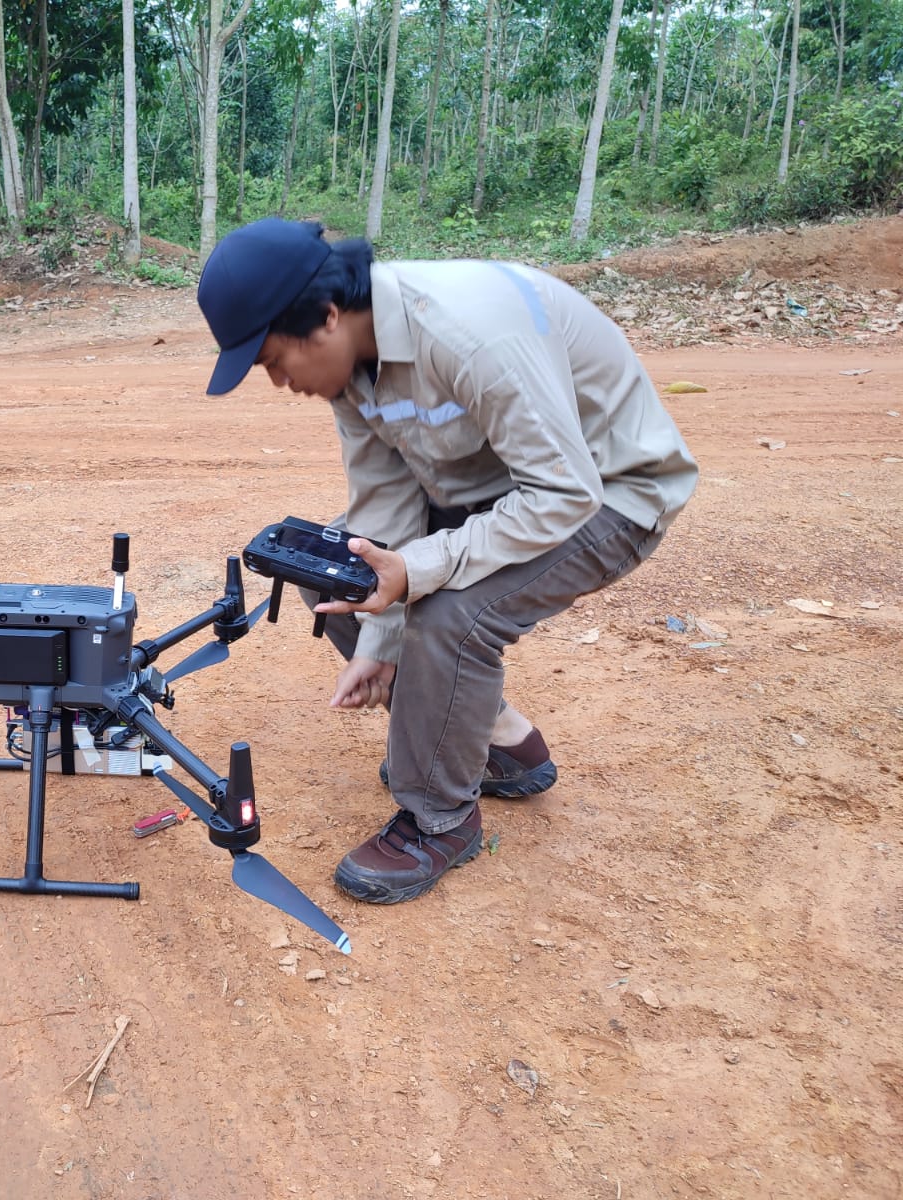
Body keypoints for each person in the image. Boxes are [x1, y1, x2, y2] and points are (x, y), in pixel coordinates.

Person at [197, 218, 698, 904]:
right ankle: (499, 746)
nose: (281, 382)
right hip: (503, 490)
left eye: (274, 361)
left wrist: (420, 578)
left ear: (328, 317)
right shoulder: (351, 370)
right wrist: (378, 638)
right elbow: (385, 504)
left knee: (448, 619)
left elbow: (563, 492)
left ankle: (442, 820)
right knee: (342, 577)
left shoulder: (468, 336)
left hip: (610, 492)